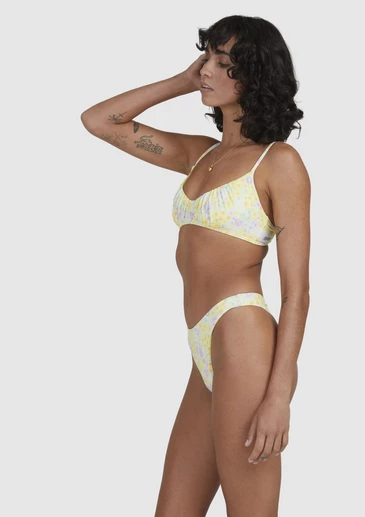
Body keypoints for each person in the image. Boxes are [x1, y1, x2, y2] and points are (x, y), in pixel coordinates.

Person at [81, 14, 310, 517]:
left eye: (223, 63)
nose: (207, 69)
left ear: (254, 74)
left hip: (242, 333)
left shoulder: (278, 163)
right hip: (201, 346)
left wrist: (280, 396)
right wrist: (183, 81)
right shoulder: (200, 156)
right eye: (206, 57)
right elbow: (99, 121)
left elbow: (297, 293)